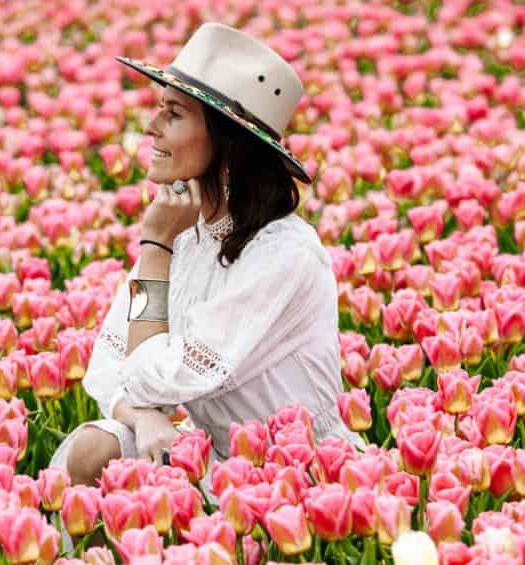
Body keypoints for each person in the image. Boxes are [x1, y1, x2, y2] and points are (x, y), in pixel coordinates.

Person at [52, 22, 362, 487]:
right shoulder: (189, 232)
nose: (151, 127)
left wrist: (155, 249)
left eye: (173, 114)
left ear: (226, 142)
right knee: (95, 450)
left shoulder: (284, 255)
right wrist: (143, 419)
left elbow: (156, 374)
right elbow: (109, 365)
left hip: (296, 476)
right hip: (216, 458)